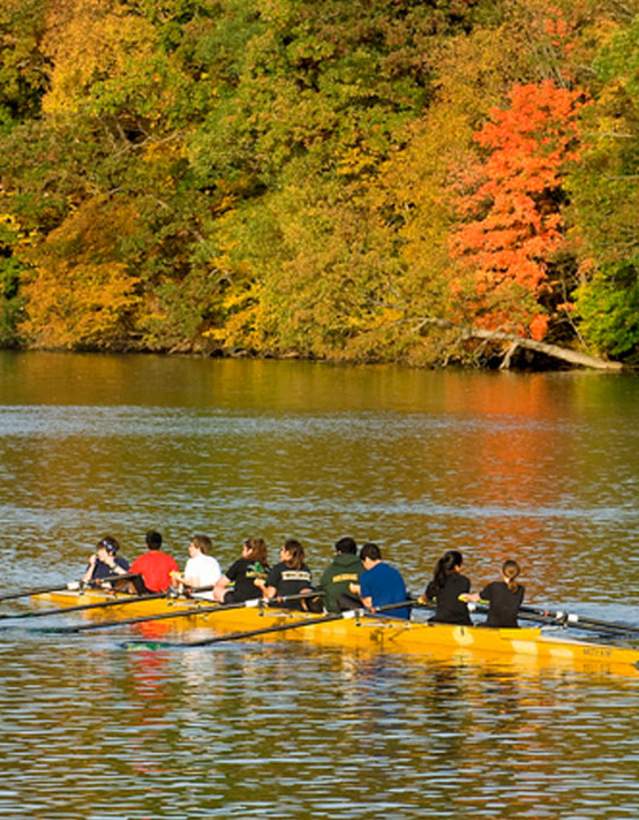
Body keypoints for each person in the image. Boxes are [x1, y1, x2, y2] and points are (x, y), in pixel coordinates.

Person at [350, 542, 410, 620]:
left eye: (363, 562)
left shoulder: (366, 576)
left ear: (367, 559)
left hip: (382, 616)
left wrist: (359, 591)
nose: (363, 566)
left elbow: (368, 604)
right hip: (402, 616)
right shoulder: (395, 571)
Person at [261, 538, 322, 611]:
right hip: (299, 610)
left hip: (281, 609)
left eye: (282, 550)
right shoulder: (305, 569)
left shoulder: (278, 568)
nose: (280, 553)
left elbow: (270, 595)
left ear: (288, 553)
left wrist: (261, 585)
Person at [463, 559, 524, 628]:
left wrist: (466, 596)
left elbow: (476, 598)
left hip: (492, 626)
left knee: (477, 625)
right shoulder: (521, 589)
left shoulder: (494, 586)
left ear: (502, 572)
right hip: (512, 627)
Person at [423, 549, 472, 625]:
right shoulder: (465, 581)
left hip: (441, 621)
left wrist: (422, 599)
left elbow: (426, 598)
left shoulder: (436, 582)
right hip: (463, 622)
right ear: (456, 567)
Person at [214, 537, 270, 604]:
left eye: (243, 549)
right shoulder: (267, 567)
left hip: (240, 600)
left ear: (250, 551)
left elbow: (221, 584)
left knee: (217, 590)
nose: (242, 552)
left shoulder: (241, 563)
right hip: (258, 600)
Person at [170, 535, 221, 601]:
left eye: (191, 546)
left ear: (198, 548)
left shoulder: (192, 561)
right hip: (214, 596)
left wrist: (178, 578)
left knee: (174, 590)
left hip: (199, 597)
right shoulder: (213, 560)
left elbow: (195, 584)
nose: (189, 549)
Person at [319, 536, 362, 612]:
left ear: (339, 552)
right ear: (355, 551)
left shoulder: (329, 570)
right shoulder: (364, 568)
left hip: (334, 611)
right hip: (360, 611)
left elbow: (323, 586)